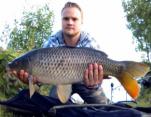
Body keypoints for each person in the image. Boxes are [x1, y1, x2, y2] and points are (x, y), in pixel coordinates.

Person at [12, 2, 108, 104]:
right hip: (60, 82)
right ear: (61, 20)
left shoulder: (90, 42)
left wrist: (93, 83)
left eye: (74, 19)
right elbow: (41, 78)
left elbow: (99, 79)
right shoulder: (52, 42)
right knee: (54, 107)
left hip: (86, 84)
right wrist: (32, 81)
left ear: (81, 22)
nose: (70, 22)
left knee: (103, 107)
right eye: (66, 18)